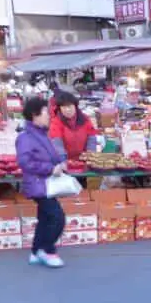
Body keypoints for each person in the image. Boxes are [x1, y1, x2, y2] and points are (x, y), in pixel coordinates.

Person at [17, 97, 67, 268]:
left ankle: (36, 250)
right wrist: (50, 169)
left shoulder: (40, 134)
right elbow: (25, 162)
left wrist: (59, 163)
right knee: (57, 218)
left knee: (46, 218)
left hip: (46, 183)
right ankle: (47, 250)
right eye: (45, 111)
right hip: (39, 183)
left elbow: (49, 155)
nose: (49, 115)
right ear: (34, 115)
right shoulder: (25, 137)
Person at [48, 90, 97, 159]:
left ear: (75, 106)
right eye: (64, 107)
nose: (67, 110)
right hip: (66, 161)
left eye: (70, 106)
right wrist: (63, 162)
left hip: (83, 159)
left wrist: (90, 154)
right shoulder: (56, 123)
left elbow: (91, 137)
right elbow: (57, 146)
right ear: (60, 108)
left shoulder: (85, 119)